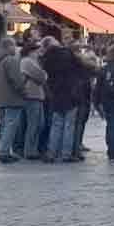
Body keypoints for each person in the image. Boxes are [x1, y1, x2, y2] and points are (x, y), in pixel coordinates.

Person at [41, 36, 81, 164]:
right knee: (68, 125)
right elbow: (79, 68)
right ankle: (66, 154)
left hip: (56, 93)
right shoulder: (67, 54)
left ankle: (51, 153)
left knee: (56, 124)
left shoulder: (46, 59)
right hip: (70, 93)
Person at [0, 34, 28, 164]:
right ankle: (4, 152)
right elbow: (16, 80)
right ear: (8, 46)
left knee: (5, 125)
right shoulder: (10, 60)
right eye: (14, 45)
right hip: (12, 97)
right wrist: (24, 91)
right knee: (10, 126)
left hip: (1, 97)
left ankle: (4, 150)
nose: (16, 47)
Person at [18, 39, 51, 161]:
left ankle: (33, 148)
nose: (39, 52)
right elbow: (41, 76)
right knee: (33, 124)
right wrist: (44, 75)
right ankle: (29, 150)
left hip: (37, 95)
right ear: (31, 51)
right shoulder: (27, 61)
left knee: (39, 123)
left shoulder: (33, 61)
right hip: (31, 95)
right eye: (37, 50)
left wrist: (43, 75)